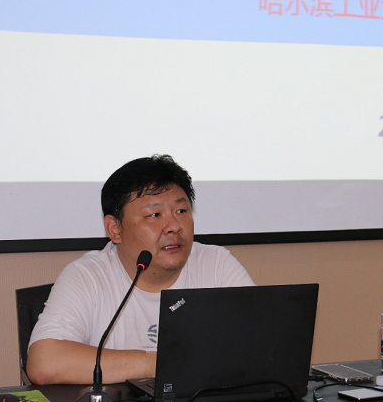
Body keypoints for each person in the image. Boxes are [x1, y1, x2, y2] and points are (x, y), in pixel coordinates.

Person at [26, 155, 254, 385]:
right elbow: (44, 363)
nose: (174, 226)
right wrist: (158, 363)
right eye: (154, 215)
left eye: (181, 211)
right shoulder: (88, 276)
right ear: (115, 229)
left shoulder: (215, 264)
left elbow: (262, 343)